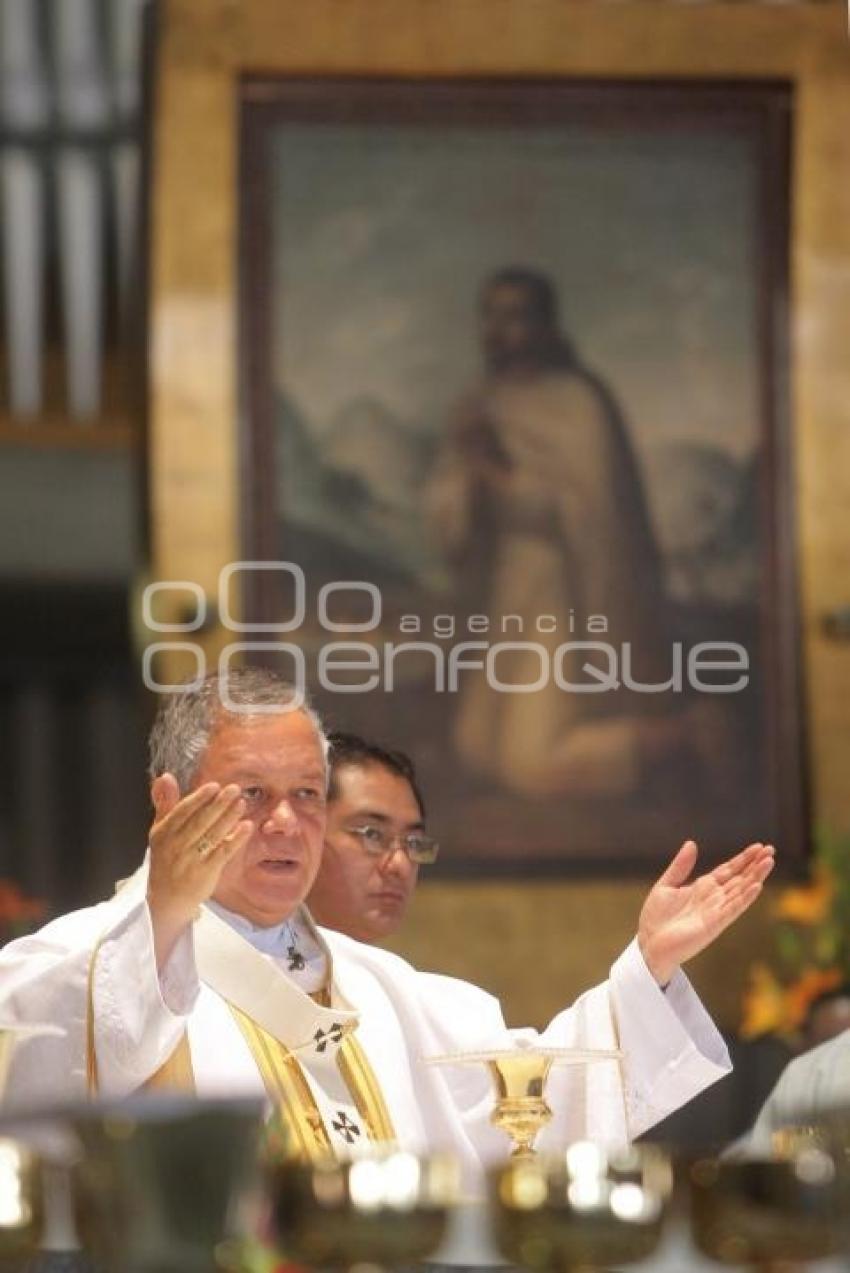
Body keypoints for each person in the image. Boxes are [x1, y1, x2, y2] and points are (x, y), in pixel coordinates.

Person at [0, 669, 774, 1189]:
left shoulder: (385, 990)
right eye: (250, 791)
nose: (284, 822)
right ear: (169, 802)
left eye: (306, 793)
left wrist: (649, 969)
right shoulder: (84, 960)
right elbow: (46, 1068)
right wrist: (164, 913)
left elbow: (533, 1097)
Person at [425, 267, 694, 800]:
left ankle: (681, 736)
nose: (500, 330)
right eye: (492, 315)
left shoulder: (578, 402)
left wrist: (495, 473)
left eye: (516, 316)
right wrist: (470, 476)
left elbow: (585, 512)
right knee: (474, 748)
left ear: (545, 325)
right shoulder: (481, 402)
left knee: (530, 767)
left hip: (563, 591)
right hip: (506, 590)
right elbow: (446, 505)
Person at [308, 732, 432, 943]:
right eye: (372, 834)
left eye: (413, 842)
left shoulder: (391, 975)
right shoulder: (243, 966)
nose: (400, 866)